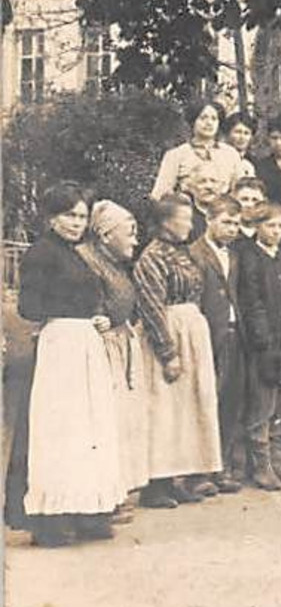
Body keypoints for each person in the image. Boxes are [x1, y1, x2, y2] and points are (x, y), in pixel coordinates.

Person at [15, 185, 128, 546]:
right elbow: (28, 307)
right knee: (62, 430)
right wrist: (67, 314)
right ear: (51, 217)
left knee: (90, 428)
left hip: (85, 344)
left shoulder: (77, 254)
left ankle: (88, 512)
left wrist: (100, 318)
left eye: (82, 216)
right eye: (69, 216)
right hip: (60, 346)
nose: (77, 223)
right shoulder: (41, 254)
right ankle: (53, 519)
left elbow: (98, 296)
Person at [131, 193, 225, 508]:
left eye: (189, 218)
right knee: (164, 410)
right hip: (169, 333)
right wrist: (168, 352)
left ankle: (178, 477)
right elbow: (151, 306)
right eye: (182, 219)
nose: (188, 224)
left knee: (185, 409)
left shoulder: (181, 252)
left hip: (190, 330)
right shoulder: (151, 257)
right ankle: (156, 485)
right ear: (164, 222)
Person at [78, 201, 149, 513]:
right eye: (130, 234)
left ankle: (115, 493)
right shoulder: (87, 261)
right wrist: (98, 318)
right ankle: (101, 500)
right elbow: (84, 302)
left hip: (121, 346)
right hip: (100, 352)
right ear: (106, 236)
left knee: (122, 423)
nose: (135, 241)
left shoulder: (118, 263)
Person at [238, 203, 281, 490]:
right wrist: (267, 345)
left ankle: (280, 462)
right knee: (263, 406)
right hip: (265, 348)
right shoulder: (250, 259)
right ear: (257, 226)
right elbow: (252, 304)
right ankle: (261, 466)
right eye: (270, 226)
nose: (276, 232)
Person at [190, 196, 247, 495]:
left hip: (234, 333)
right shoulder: (195, 254)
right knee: (206, 401)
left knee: (230, 401)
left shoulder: (233, 256)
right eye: (226, 221)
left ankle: (221, 465)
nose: (232, 228)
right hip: (209, 335)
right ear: (209, 220)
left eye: (236, 223)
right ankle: (199, 473)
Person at [151, 99, 249, 201]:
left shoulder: (231, 154)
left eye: (214, 119)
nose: (209, 123)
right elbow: (160, 194)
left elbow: (241, 192)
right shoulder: (176, 155)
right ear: (193, 121)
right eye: (203, 118)